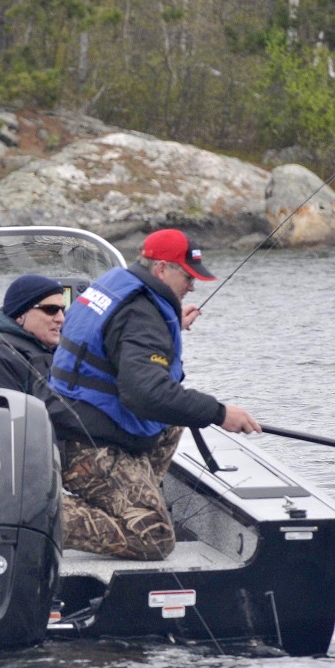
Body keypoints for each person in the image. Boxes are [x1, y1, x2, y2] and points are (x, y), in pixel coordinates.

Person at [49, 228, 261, 560]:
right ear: (161, 269)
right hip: (85, 443)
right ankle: (35, 515)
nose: (192, 286)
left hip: (80, 420)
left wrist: (170, 323)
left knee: (174, 420)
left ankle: (134, 499)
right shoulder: (141, 314)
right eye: (188, 277)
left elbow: (117, 339)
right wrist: (220, 414)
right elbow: (146, 395)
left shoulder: (117, 283)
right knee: (156, 539)